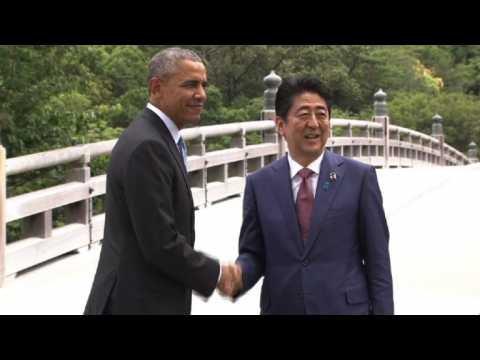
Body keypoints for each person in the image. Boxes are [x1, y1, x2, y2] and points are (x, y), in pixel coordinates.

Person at [84, 48, 237, 315]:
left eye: (203, 84)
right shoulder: (147, 146)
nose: (201, 94)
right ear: (156, 87)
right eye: (190, 84)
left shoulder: (161, 138)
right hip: (135, 302)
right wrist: (216, 274)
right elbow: (160, 242)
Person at [224, 76, 394, 315]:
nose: (314, 123)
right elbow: (254, 253)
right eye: (304, 115)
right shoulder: (259, 184)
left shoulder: (359, 177)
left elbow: (378, 264)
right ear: (281, 125)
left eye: (321, 114)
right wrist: (239, 275)